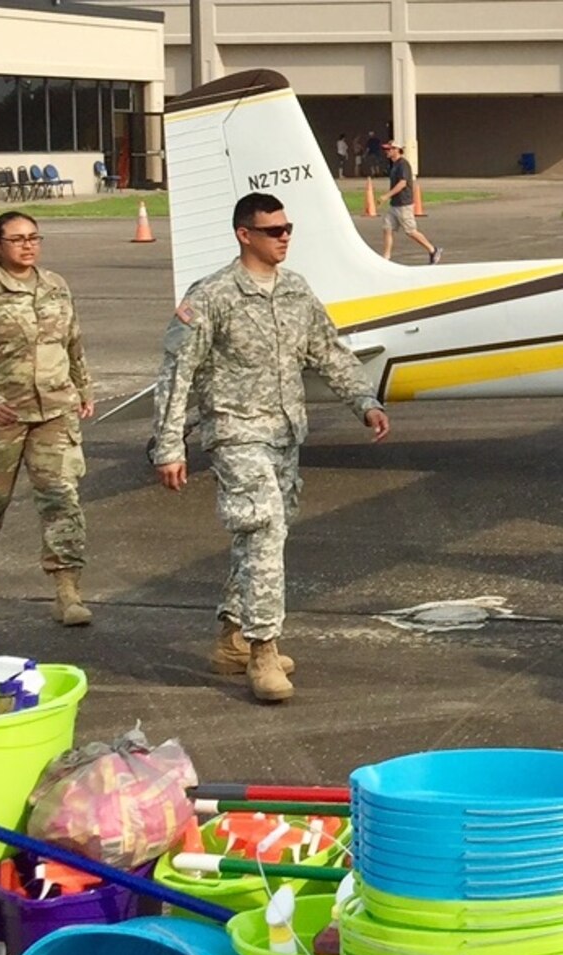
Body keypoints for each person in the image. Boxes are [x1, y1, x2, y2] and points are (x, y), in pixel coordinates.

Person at [152, 192, 392, 703]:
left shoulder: (295, 292)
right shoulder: (213, 295)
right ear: (245, 234)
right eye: (273, 230)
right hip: (236, 433)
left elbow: (327, 350)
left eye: (287, 229)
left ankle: (233, 638)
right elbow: (178, 373)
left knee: (264, 536)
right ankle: (263, 651)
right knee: (263, 528)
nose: (284, 237)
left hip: (286, 433)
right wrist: (169, 445)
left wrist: (364, 402)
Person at [0, 212, 96, 625]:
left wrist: (83, 388)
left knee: (61, 499)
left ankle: (68, 591)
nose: (27, 246)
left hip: (53, 411)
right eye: (16, 239)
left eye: (33, 238)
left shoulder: (55, 286)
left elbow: (73, 342)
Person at [378, 143, 441, 264]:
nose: (386, 151)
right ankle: (386, 257)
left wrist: (386, 196)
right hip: (394, 204)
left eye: (389, 149)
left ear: (397, 150)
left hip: (403, 204)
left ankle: (433, 250)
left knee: (411, 231)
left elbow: (402, 183)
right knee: (387, 228)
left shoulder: (403, 164)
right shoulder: (395, 164)